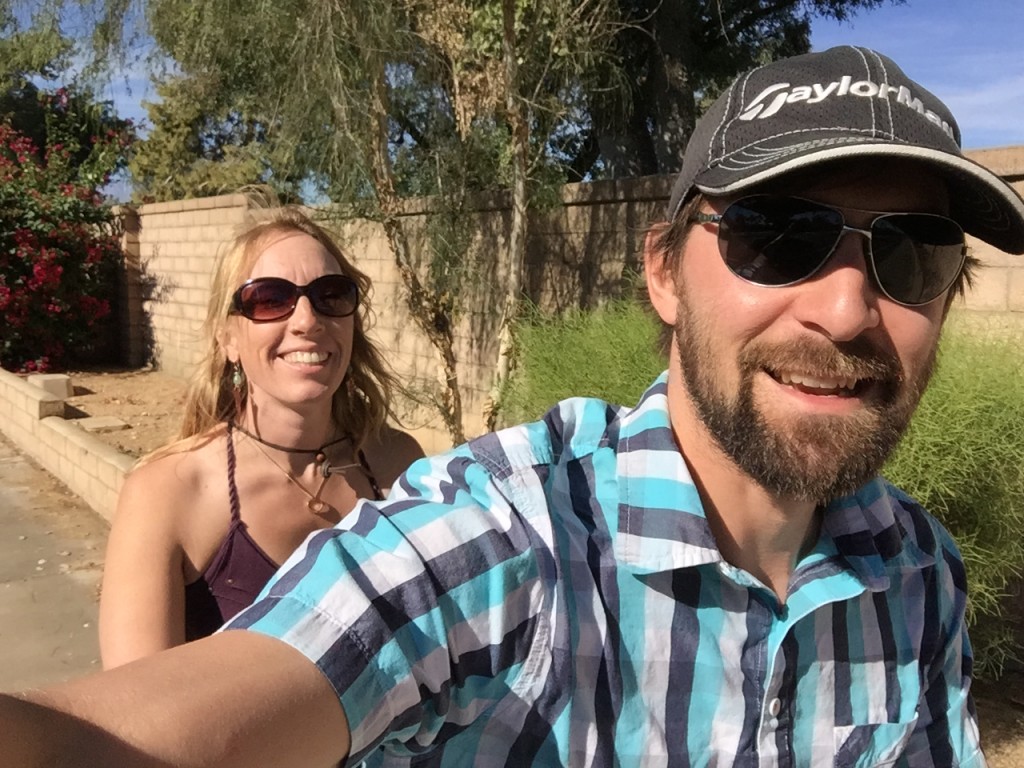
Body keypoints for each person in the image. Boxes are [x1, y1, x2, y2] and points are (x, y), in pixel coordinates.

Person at [4, 45, 1024, 767]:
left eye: (911, 252)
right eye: (774, 234)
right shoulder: (505, 529)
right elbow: (139, 730)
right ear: (663, 276)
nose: (848, 307)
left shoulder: (918, 572)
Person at [98, 206, 424, 667]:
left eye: (330, 294)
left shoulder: (398, 463)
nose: (308, 320)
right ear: (227, 337)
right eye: (270, 298)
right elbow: (135, 710)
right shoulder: (165, 492)